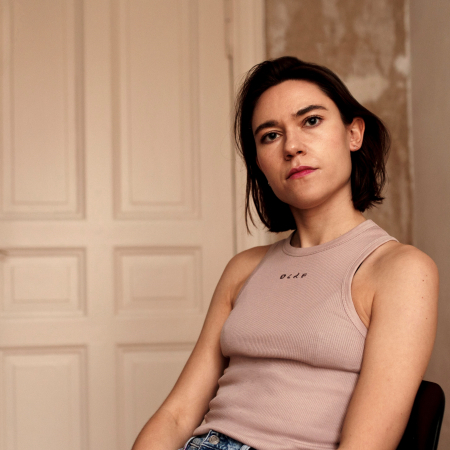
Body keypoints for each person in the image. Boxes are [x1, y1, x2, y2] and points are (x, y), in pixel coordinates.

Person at [132, 57, 438, 450]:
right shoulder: (243, 269)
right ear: (260, 163)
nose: (292, 147)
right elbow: (176, 415)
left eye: (311, 121)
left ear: (353, 133)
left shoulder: (401, 270)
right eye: (270, 136)